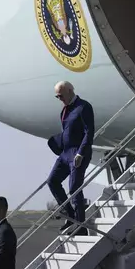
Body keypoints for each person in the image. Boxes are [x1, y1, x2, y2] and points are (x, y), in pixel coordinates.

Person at [46, 81, 95, 235]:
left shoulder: (83, 107)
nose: (59, 98)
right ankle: (70, 215)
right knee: (52, 181)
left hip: (78, 153)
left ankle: (81, 226)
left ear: (69, 90)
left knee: (74, 188)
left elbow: (89, 131)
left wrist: (81, 152)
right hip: (65, 153)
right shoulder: (65, 110)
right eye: (57, 96)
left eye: (60, 95)